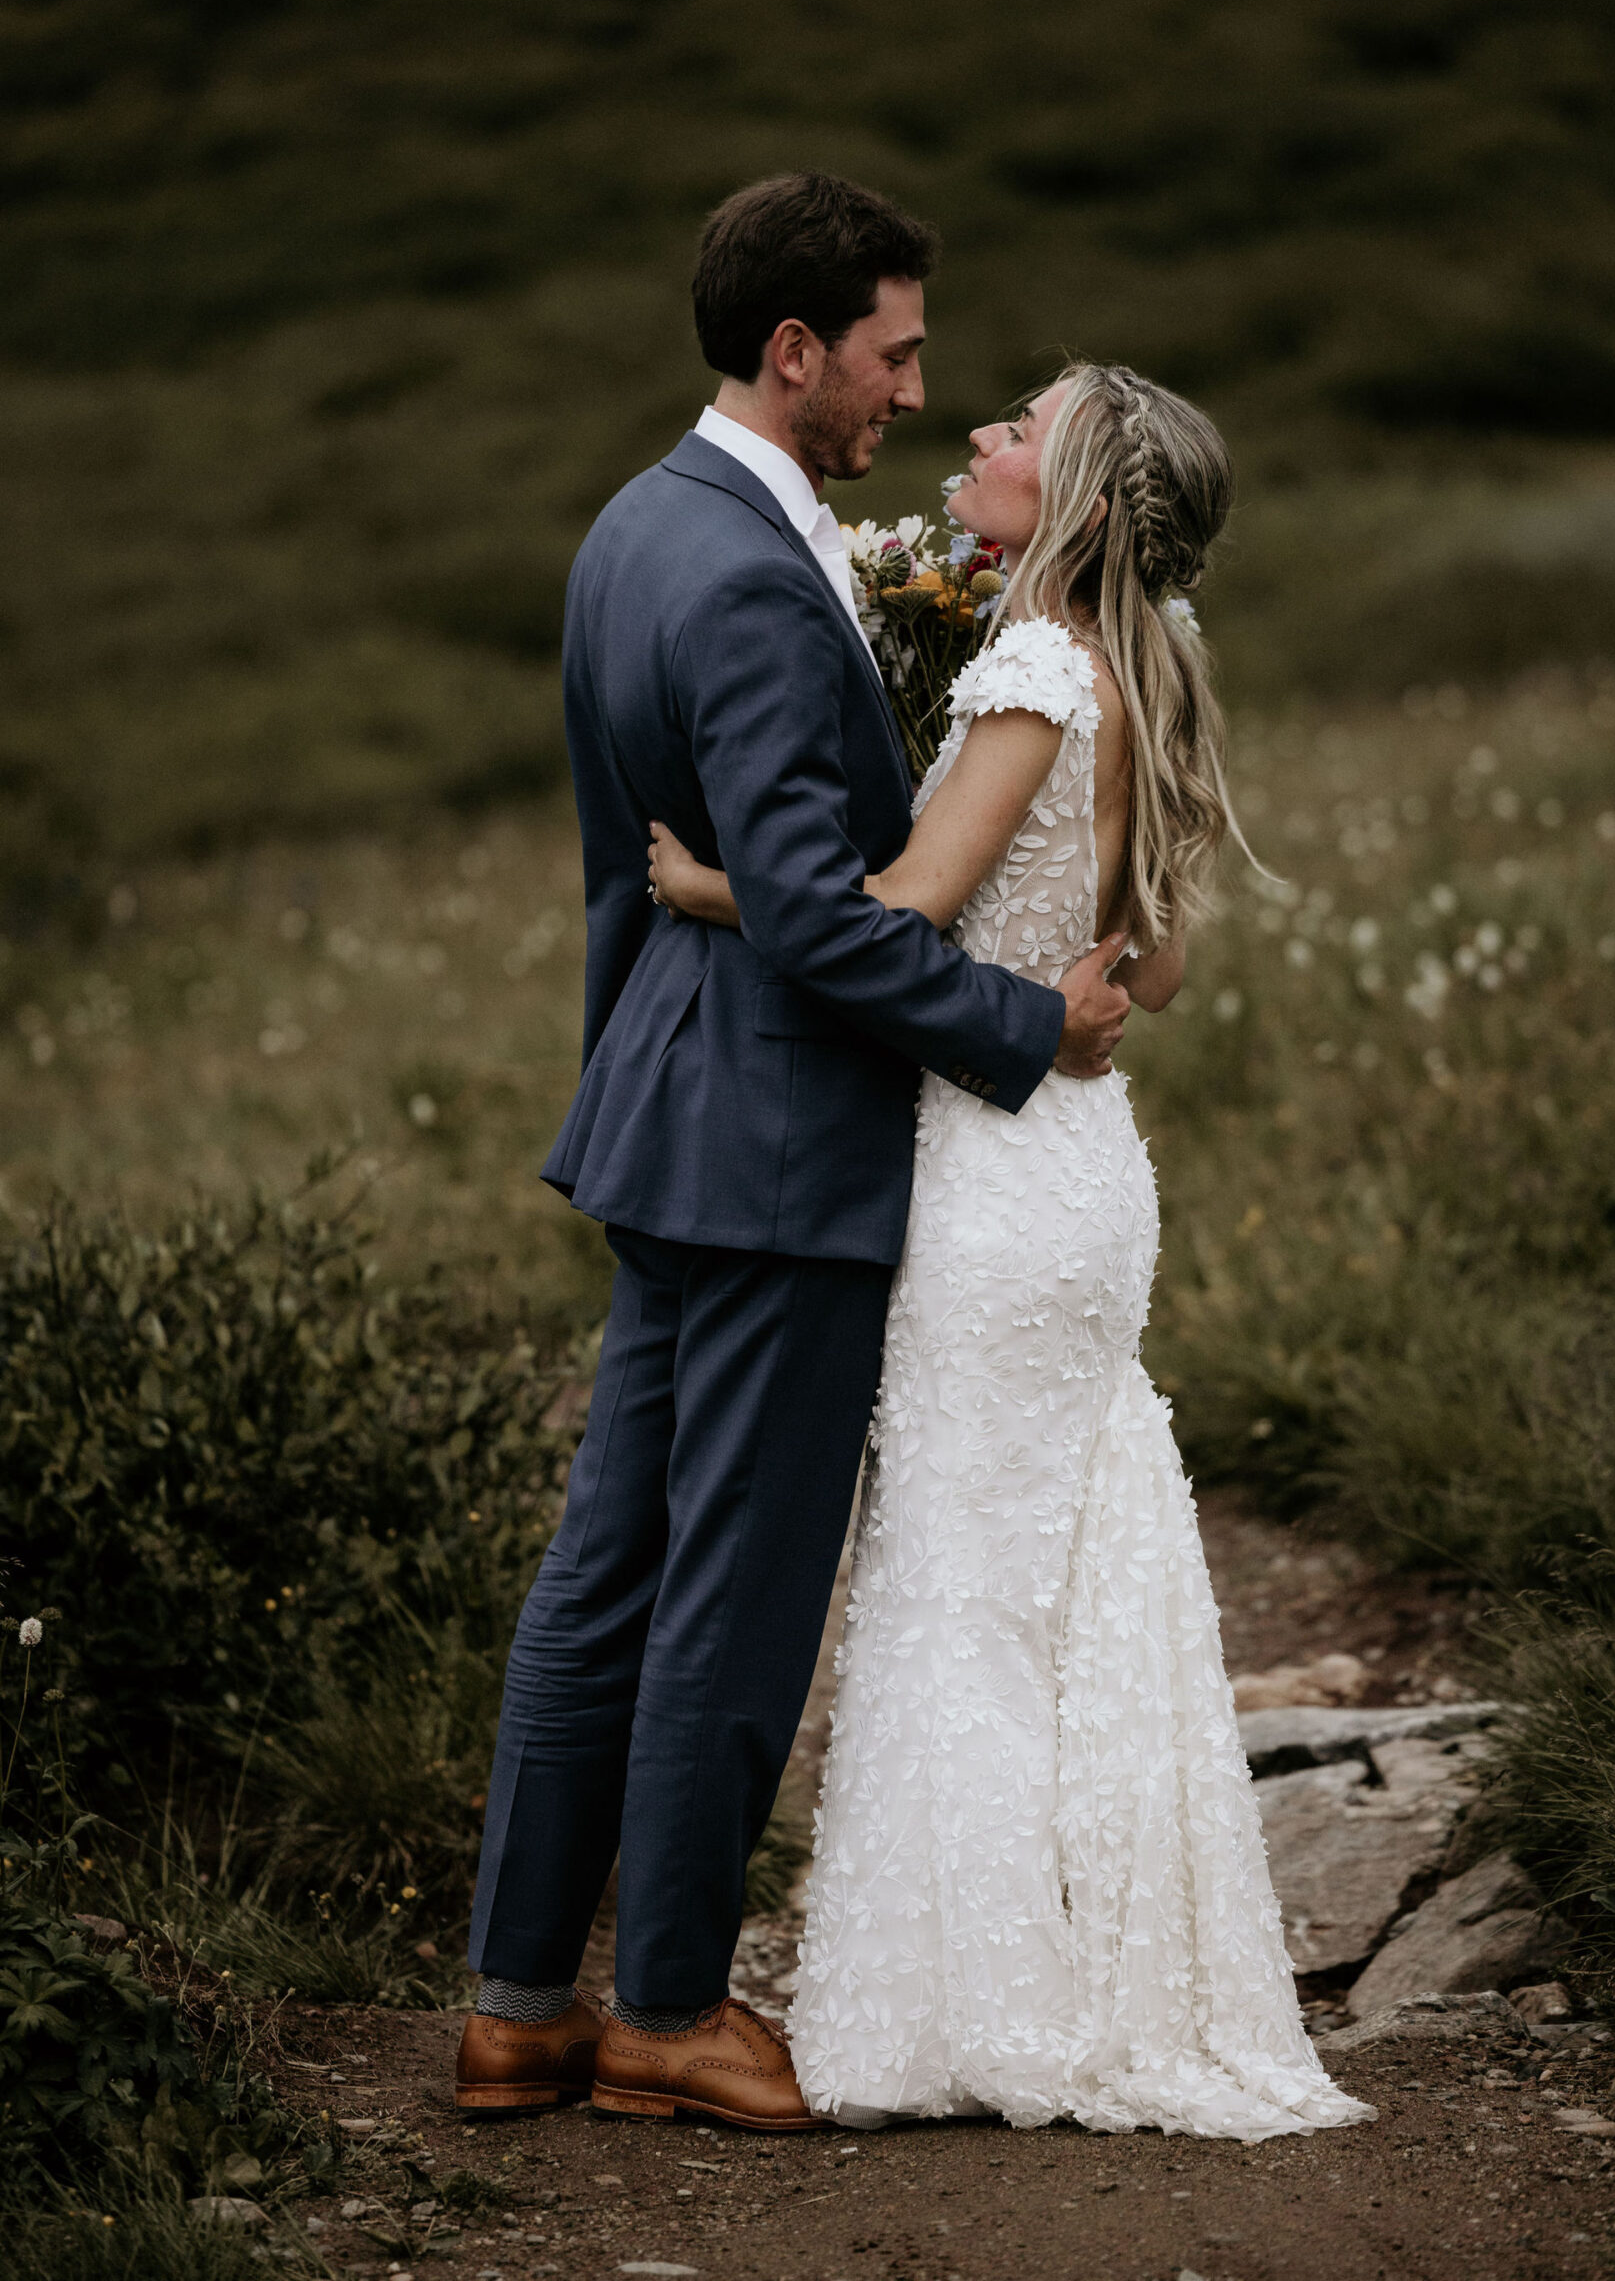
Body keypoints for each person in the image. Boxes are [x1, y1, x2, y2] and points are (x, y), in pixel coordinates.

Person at [453, 174, 1132, 2129]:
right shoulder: (754, 573)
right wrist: (1030, 1024)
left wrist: (631, 1088)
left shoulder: (630, 530)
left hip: (669, 1105)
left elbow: (627, 879)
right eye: (897, 352)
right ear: (795, 349)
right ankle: (664, 2005)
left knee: (605, 1565)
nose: (915, 392)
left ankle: (515, 2002)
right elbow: (825, 918)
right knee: (733, 1585)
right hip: (774, 1142)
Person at [649, 365, 1373, 2141]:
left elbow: (890, 912)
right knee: (1068, 1568)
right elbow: (1164, 974)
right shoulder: (1142, 669)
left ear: (1083, 501)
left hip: (987, 1170)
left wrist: (718, 891)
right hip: (1085, 1173)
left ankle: (975, 2011)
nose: (975, 434)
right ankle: (1102, 1970)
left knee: (965, 1586)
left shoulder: (1043, 662)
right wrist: (1058, 959)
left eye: (1018, 430)